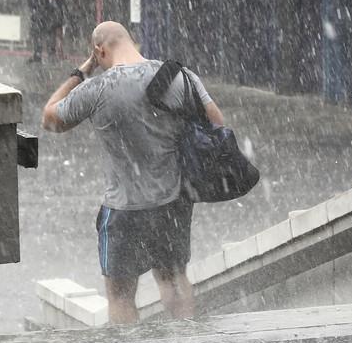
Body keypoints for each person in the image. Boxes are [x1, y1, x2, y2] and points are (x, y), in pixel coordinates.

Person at [41, 21, 224, 324]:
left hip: (123, 209)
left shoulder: (97, 88)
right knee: (174, 279)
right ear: (133, 42)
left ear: (99, 51)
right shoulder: (179, 75)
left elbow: (50, 118)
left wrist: (82, 71)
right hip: (171, 203)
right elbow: (217, 124)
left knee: (121, 296)